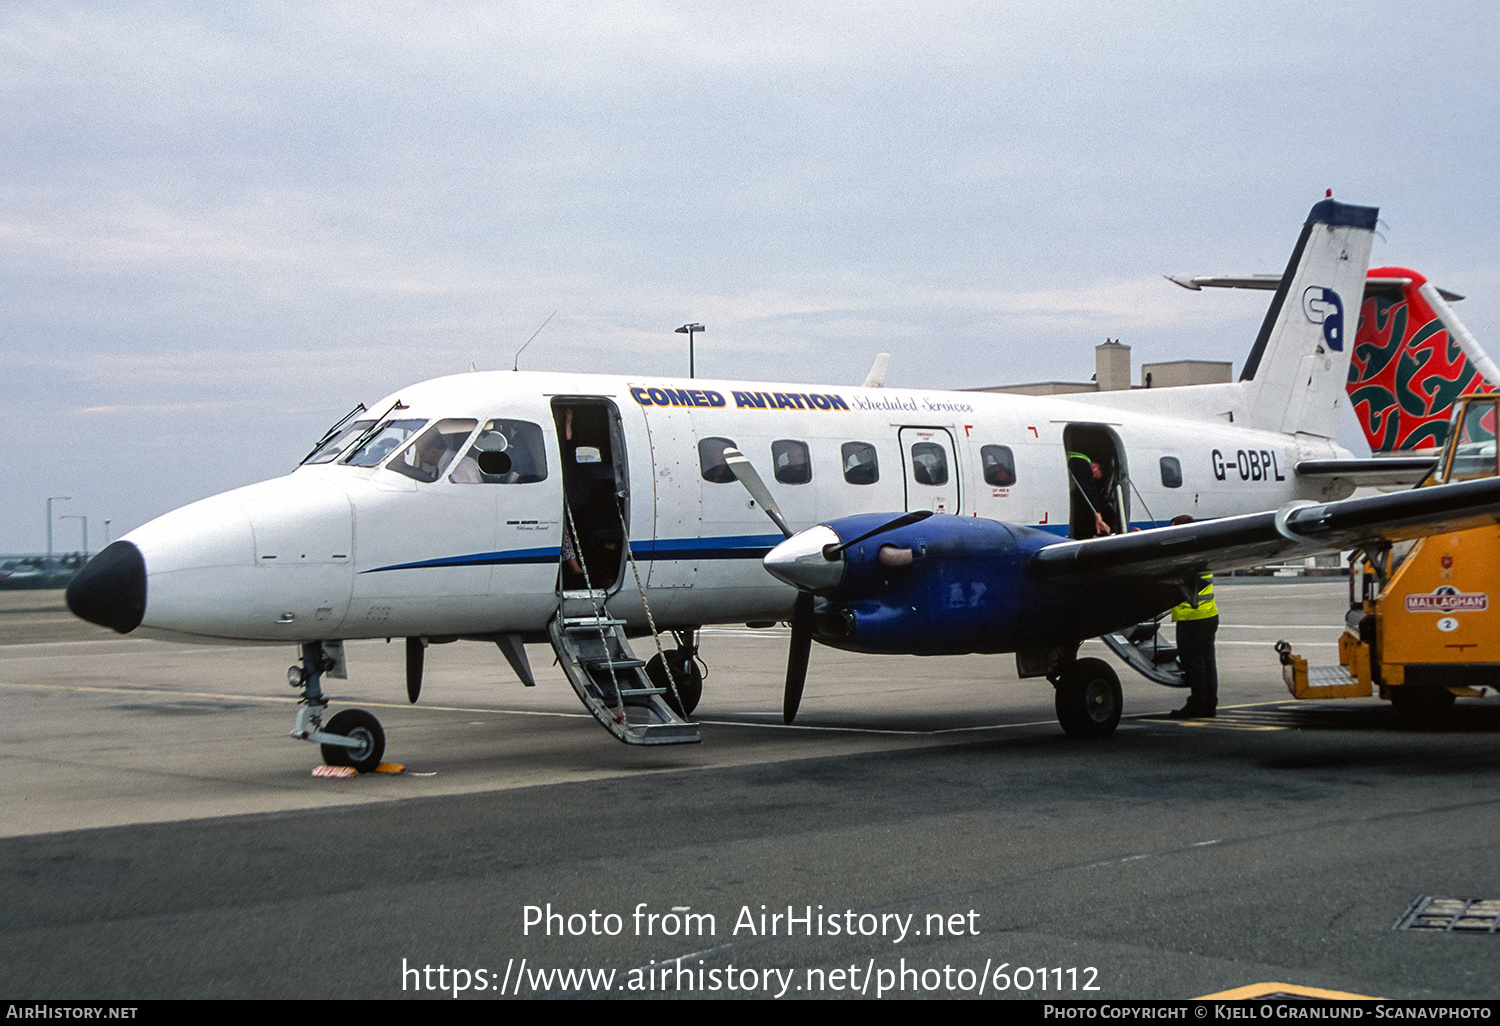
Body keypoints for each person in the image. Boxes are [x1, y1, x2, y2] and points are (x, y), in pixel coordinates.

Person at [1168, 515, 1218, 719]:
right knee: (1207, 662)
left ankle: (1197, 703)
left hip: (1191, 618)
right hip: (1209, 615)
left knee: (1194, 664)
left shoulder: (1183, 555)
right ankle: (1209, 704)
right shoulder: (1200, 551)